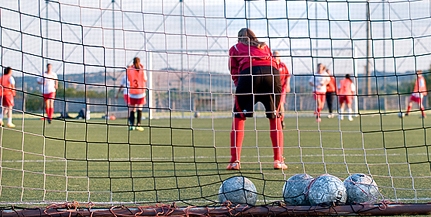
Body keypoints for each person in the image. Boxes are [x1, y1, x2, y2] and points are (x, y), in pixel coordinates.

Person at [227, 28, 286, 170]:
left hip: (249, 75)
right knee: (275, 117)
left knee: (239, 117)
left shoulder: (235, 48)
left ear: (239, 37)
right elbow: (275, 65)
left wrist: (240, 85)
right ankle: (278, 160)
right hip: (271, 75)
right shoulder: (264, 46)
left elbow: (233, 69)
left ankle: (235, 161)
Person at [126, 57, 147, 131]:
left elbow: (129, 79)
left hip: (132, 92)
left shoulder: (129, 70)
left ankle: (131, 125)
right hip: (141, 92)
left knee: (132, 108)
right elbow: (145, 79)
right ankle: (138, 124)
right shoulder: (142, 69)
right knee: (139, 108)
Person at [273, 51, 291, 129]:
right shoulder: (271, 65)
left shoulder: (283, 65)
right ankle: (277, 119)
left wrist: (287, 85)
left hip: (282, 87)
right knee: (275, 105)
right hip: (273, 87)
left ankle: (281, 120)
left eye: (276, 56)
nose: (275, 57)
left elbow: (288, 75)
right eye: (273, 56)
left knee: (281, 103)